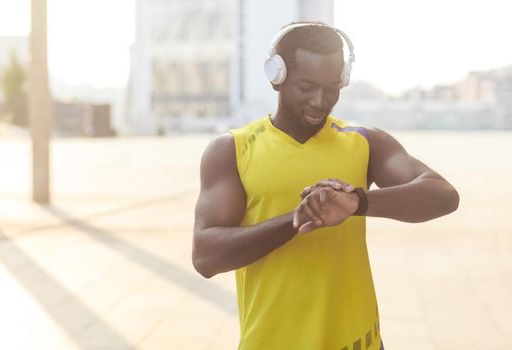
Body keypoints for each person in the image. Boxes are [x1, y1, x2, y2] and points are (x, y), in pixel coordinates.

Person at [192, 21, 459, 350]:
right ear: (277, 76)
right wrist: (296, 220)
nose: (321, 100)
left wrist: (358, 203)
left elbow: (444, 195)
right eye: (306, 87)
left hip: (357, 342)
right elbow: (205, 256)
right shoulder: (232, 149)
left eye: (332, 87)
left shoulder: (364, 142)